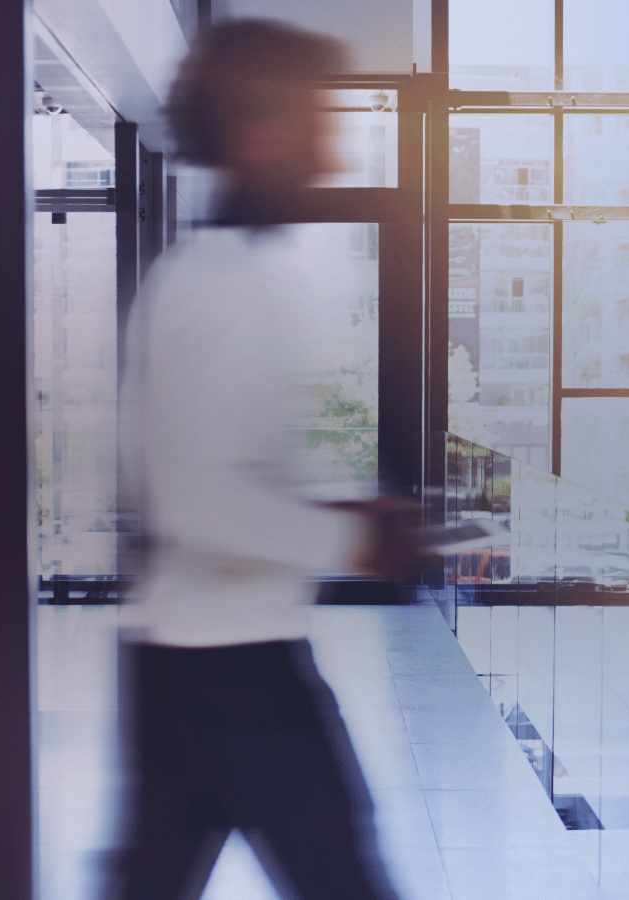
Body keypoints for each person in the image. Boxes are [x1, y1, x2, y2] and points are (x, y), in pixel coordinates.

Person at [111, 19, 429, 900]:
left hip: (195, 654)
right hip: (232, 670)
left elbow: (210, 478)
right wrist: (354, 545)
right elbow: (197, 503)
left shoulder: (211, 272)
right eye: (319, 123)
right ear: (261, 135)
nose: (331, 154)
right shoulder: (224, 284)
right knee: (344, 877)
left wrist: (342, 519)